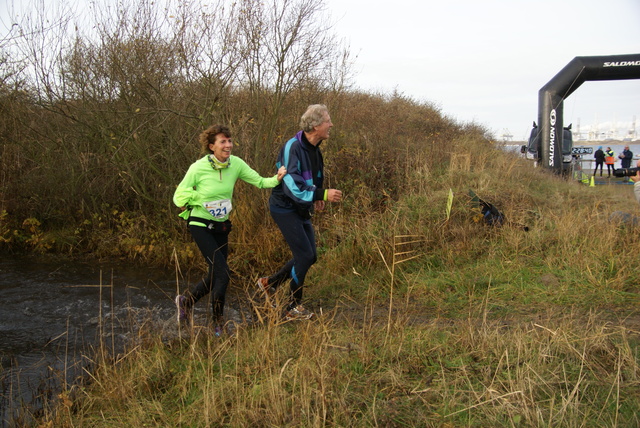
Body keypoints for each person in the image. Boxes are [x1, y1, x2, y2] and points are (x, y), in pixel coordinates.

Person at [173, 125, 286, 334]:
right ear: (211, 146)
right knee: (223, 274)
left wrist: (277, 178)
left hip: (221, 226)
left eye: (230, 141)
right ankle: (218, 324)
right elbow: (178, 196)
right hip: (199, 223)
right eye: (223, 142)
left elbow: (261, 182)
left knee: (215, 274)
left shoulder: (236, 164)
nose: (228, 145)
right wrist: (201, 199)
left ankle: (186, 302)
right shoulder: (198, 168)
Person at [256, 104, 342, 321]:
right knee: (304, 255)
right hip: (284, 207)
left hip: (301, 207)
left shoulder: (316, 148)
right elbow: (293, 187)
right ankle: (291, 308)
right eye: (327, 121)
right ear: (315, 125)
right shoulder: (292, 147)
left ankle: (269, 283)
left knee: (310, 256)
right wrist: (321, 195)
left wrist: (316, 198)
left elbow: (315, 178)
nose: (331, 124)